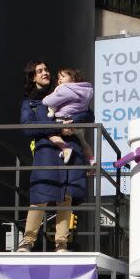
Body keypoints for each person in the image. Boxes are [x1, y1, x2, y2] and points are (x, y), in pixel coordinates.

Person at [17, 60, 87, 253]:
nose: (45, 73)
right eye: (39, 71)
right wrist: (59, 128)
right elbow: (26, 127)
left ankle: (62, 243)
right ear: (32, 77)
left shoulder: (63, 91)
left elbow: (86, 114)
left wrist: (73, 122)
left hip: (71, 149)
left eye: (46, 69)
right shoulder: (29, 102)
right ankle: (27, 241)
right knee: (40, 196)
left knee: (66, 198)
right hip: (46, 152)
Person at [43, 68, 94, 162]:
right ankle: (91, 160)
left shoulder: (66, 89)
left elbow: (50, 101)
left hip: (65, 120)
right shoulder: (84, 90)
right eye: (59, 78)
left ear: (73, 79)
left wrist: (45, 99)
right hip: (79, 125)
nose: (60, 80)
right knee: (83, 142)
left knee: (50, 132)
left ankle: (65, 149)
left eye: (63, 76)